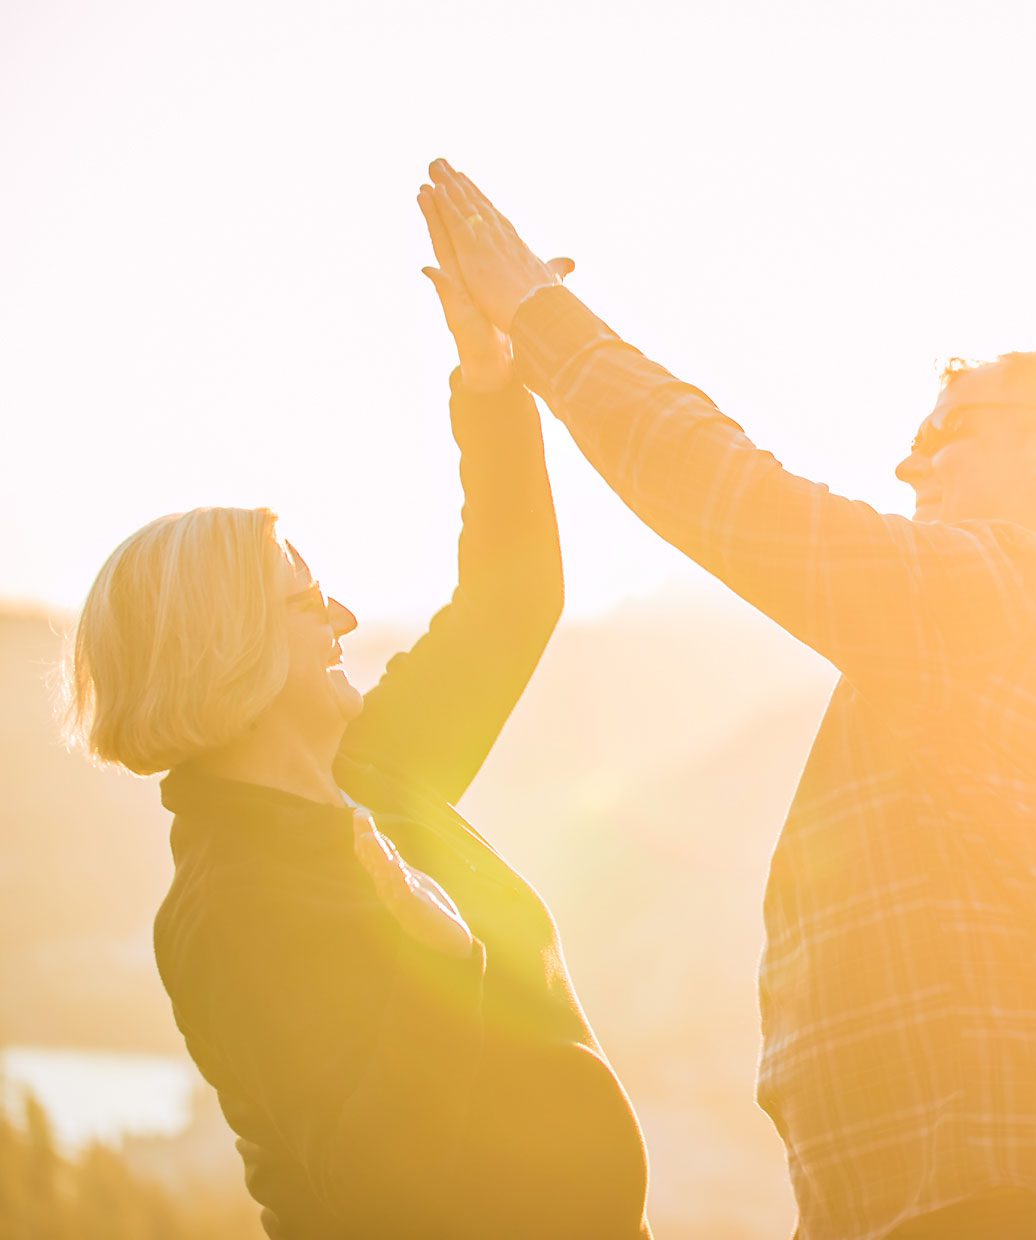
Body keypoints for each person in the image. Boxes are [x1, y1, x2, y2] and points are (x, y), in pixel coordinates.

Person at [422, 160, 1036, 1240]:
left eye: (947, 432)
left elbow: (728, 490)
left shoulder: (1009, 594)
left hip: (997, 1201)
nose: (911, 466)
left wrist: (537, 315)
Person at [62, 194, 649, 1239]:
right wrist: (445, 950)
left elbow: (514, 598)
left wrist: (493, 385)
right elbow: (392, 1182)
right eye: (305, 598)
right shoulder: (230, 911)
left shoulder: (375, 773)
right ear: (226, 648)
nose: (339, 616)